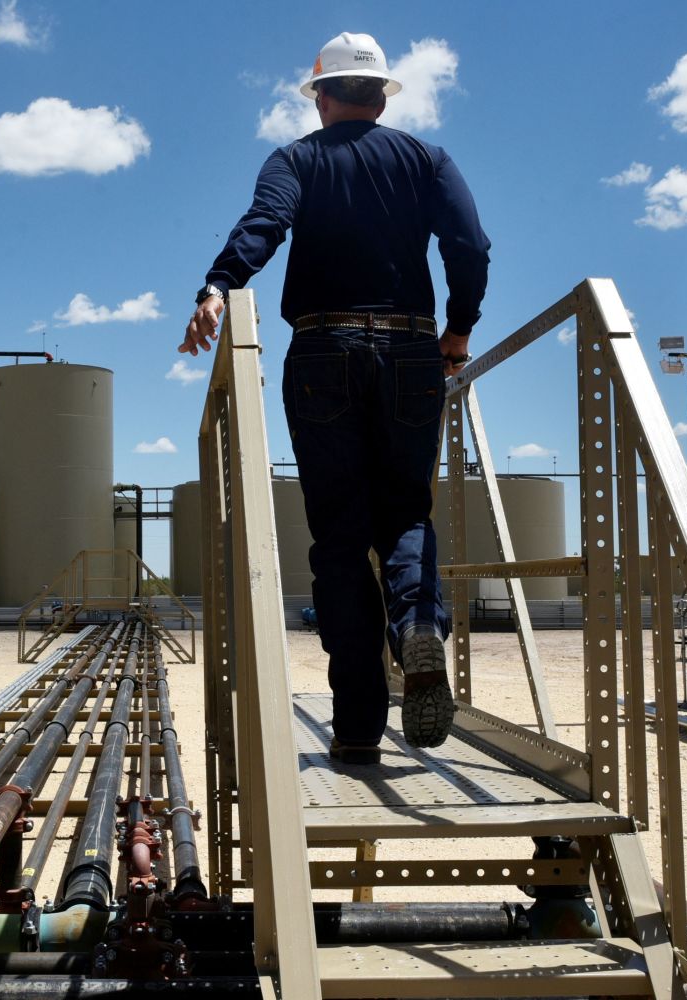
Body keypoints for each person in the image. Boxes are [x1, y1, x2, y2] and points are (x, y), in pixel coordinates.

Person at [180, 31, 490, 762]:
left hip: (322, 350)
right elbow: (469, 245)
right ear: (380, 95)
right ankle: (418, 623)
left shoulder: (295, 160)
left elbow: (266, 224)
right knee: (406, 511)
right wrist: (458, 328)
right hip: (414, 348)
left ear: (321, 95)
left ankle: (357, 726)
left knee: (342, 540)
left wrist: (219, 285)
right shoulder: (426, 158)